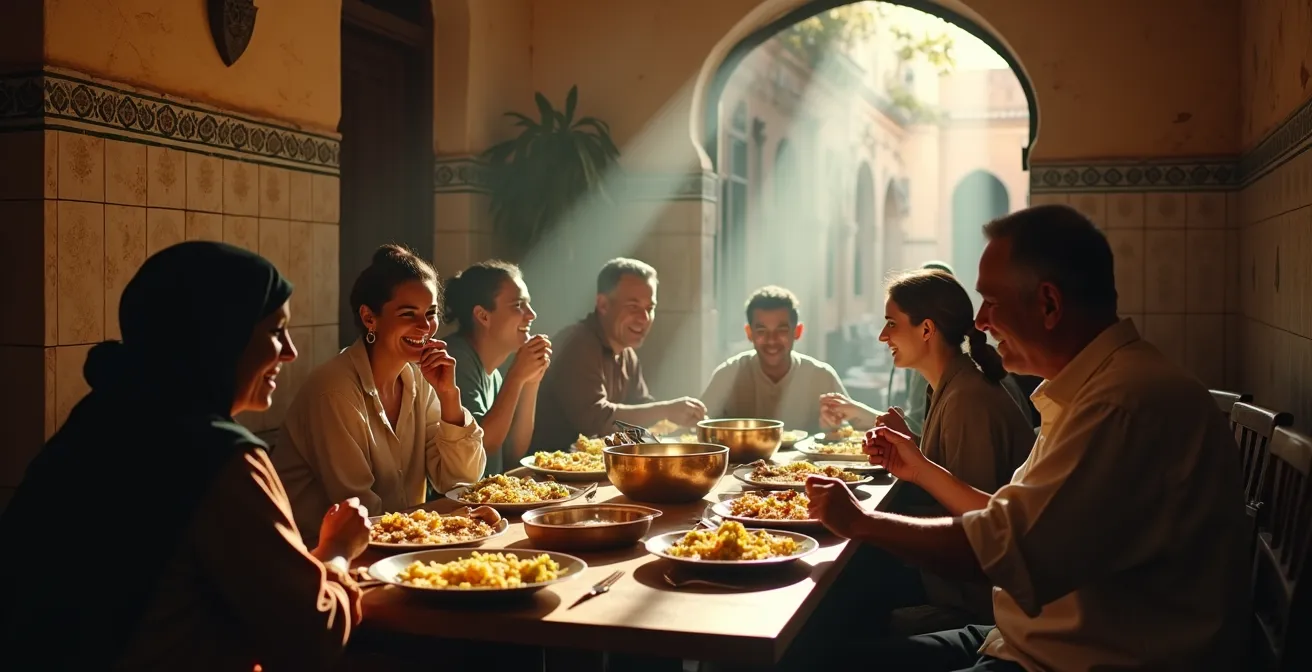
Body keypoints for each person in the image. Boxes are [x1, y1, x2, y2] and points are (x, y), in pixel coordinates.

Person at [805, 205, 1248, 670]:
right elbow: (1010, 519)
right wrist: (916, 467)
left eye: (991, 302)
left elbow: (1002, 547)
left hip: (1065, 659)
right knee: (839, 655)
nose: (979, 321)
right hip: (1018, 636)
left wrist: (863, 522)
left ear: (1049, 304)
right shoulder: (1087, 390)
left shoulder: (1121, 404)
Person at [0, 242, 369, 670]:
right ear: (221, 337)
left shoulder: (98, 419)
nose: (290, 351)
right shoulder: (219, 457)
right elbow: (310, 634)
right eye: (275, 332)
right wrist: (338, 549)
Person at [275, 244, 485, 541]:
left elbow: (460, 481)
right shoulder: (334, 391)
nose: (425, 327)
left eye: (431, 313)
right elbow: (360, 512)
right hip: (321, 554)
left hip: (397, 544)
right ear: (369, 318)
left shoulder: (421, 378)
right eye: (408, 314)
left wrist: (449, 396)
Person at [531, 258, 706, 449]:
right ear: (603, 304)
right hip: (550, 464)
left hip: (599, 463)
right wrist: (665, 411)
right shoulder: (577, 343)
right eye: (633, 307)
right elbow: (597, 420)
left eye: (650, 308)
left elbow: (641, 407)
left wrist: (681, 418)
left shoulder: (626, 353)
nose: (644, 318)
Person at [442, 261, 551, 475]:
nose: (531, 315)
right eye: (518, 305)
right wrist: (517, 376)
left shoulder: (494, 376)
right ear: (483, 316)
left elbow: (512, 454)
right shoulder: (453, 361)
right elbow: (483, 445)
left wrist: (531, 382)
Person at [700, 286, 846, 432]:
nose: (771, 340)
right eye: (761, 331)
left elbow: (852, 429)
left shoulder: (821, 376)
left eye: (781, 330)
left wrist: (835, 427)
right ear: (749, 333)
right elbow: (698, 426)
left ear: (797, 331)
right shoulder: (729, 373)